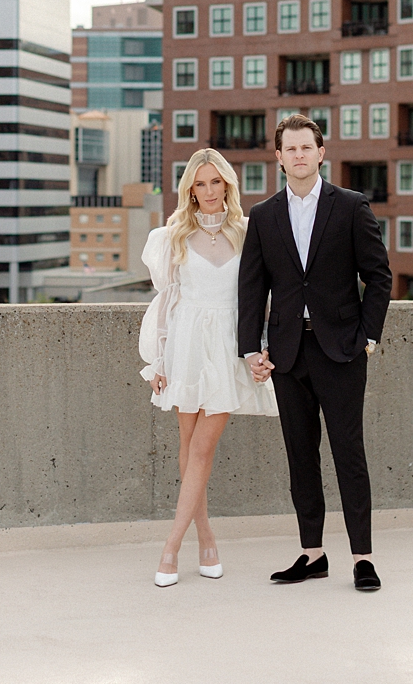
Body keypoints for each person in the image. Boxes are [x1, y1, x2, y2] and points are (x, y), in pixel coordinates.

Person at [238, 113, 391, 592]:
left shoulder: (350, 206)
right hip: (287, 354)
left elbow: (379, 277)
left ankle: (363, 558)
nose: (299, 155)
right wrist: (250, 349)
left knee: (349, 453)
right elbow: (251, 288)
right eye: (291, 148)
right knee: (300, 456)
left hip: (340, 351)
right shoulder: (263, 216)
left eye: (308, 147)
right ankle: (313, 554)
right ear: (279, 156)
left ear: (321, 153)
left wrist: (367, 337)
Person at [139, 147, 277, 587]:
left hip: (228, 344)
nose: (209, 190)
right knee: (187, 445)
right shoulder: (173, 234)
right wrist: (159, 358)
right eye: (200, 183)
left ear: (227, 185)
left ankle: (171, 547)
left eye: (216, 181)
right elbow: (168, 302)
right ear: (190, 190)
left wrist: (261, 349)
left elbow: (261, 298)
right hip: (185, 345)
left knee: (202, 447)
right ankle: (207, 539)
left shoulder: (248, 232)